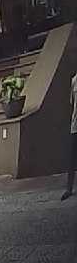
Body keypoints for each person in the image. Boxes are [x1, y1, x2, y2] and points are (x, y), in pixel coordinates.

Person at [64, 70, 77, 201]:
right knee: (71, 158)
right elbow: (71, 103)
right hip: (75, 125)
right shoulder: (74, 81)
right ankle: (69, 188)